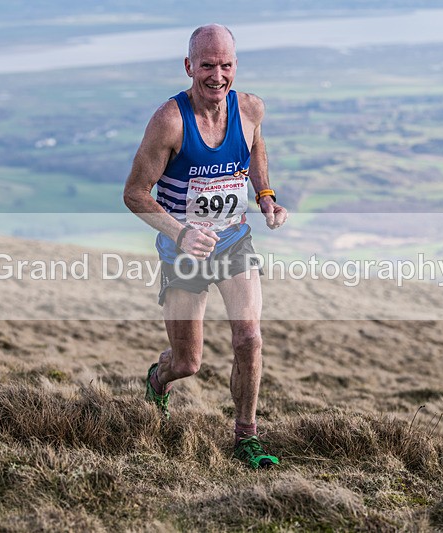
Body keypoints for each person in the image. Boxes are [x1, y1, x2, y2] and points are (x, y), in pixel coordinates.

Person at [123, 23, 288, 469]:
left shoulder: (251, 109)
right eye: (208, 65)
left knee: (249, 338)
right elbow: (135, 193)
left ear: (236, 66)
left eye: (226, 65)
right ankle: (158, 382)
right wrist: (181, 233)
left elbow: (256, 152)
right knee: (187, 363)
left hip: (234, 241)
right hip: (185, 253)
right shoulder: (169, 121)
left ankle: (246, 438)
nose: (217, 75)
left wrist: (266, 196)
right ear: (189, 66)